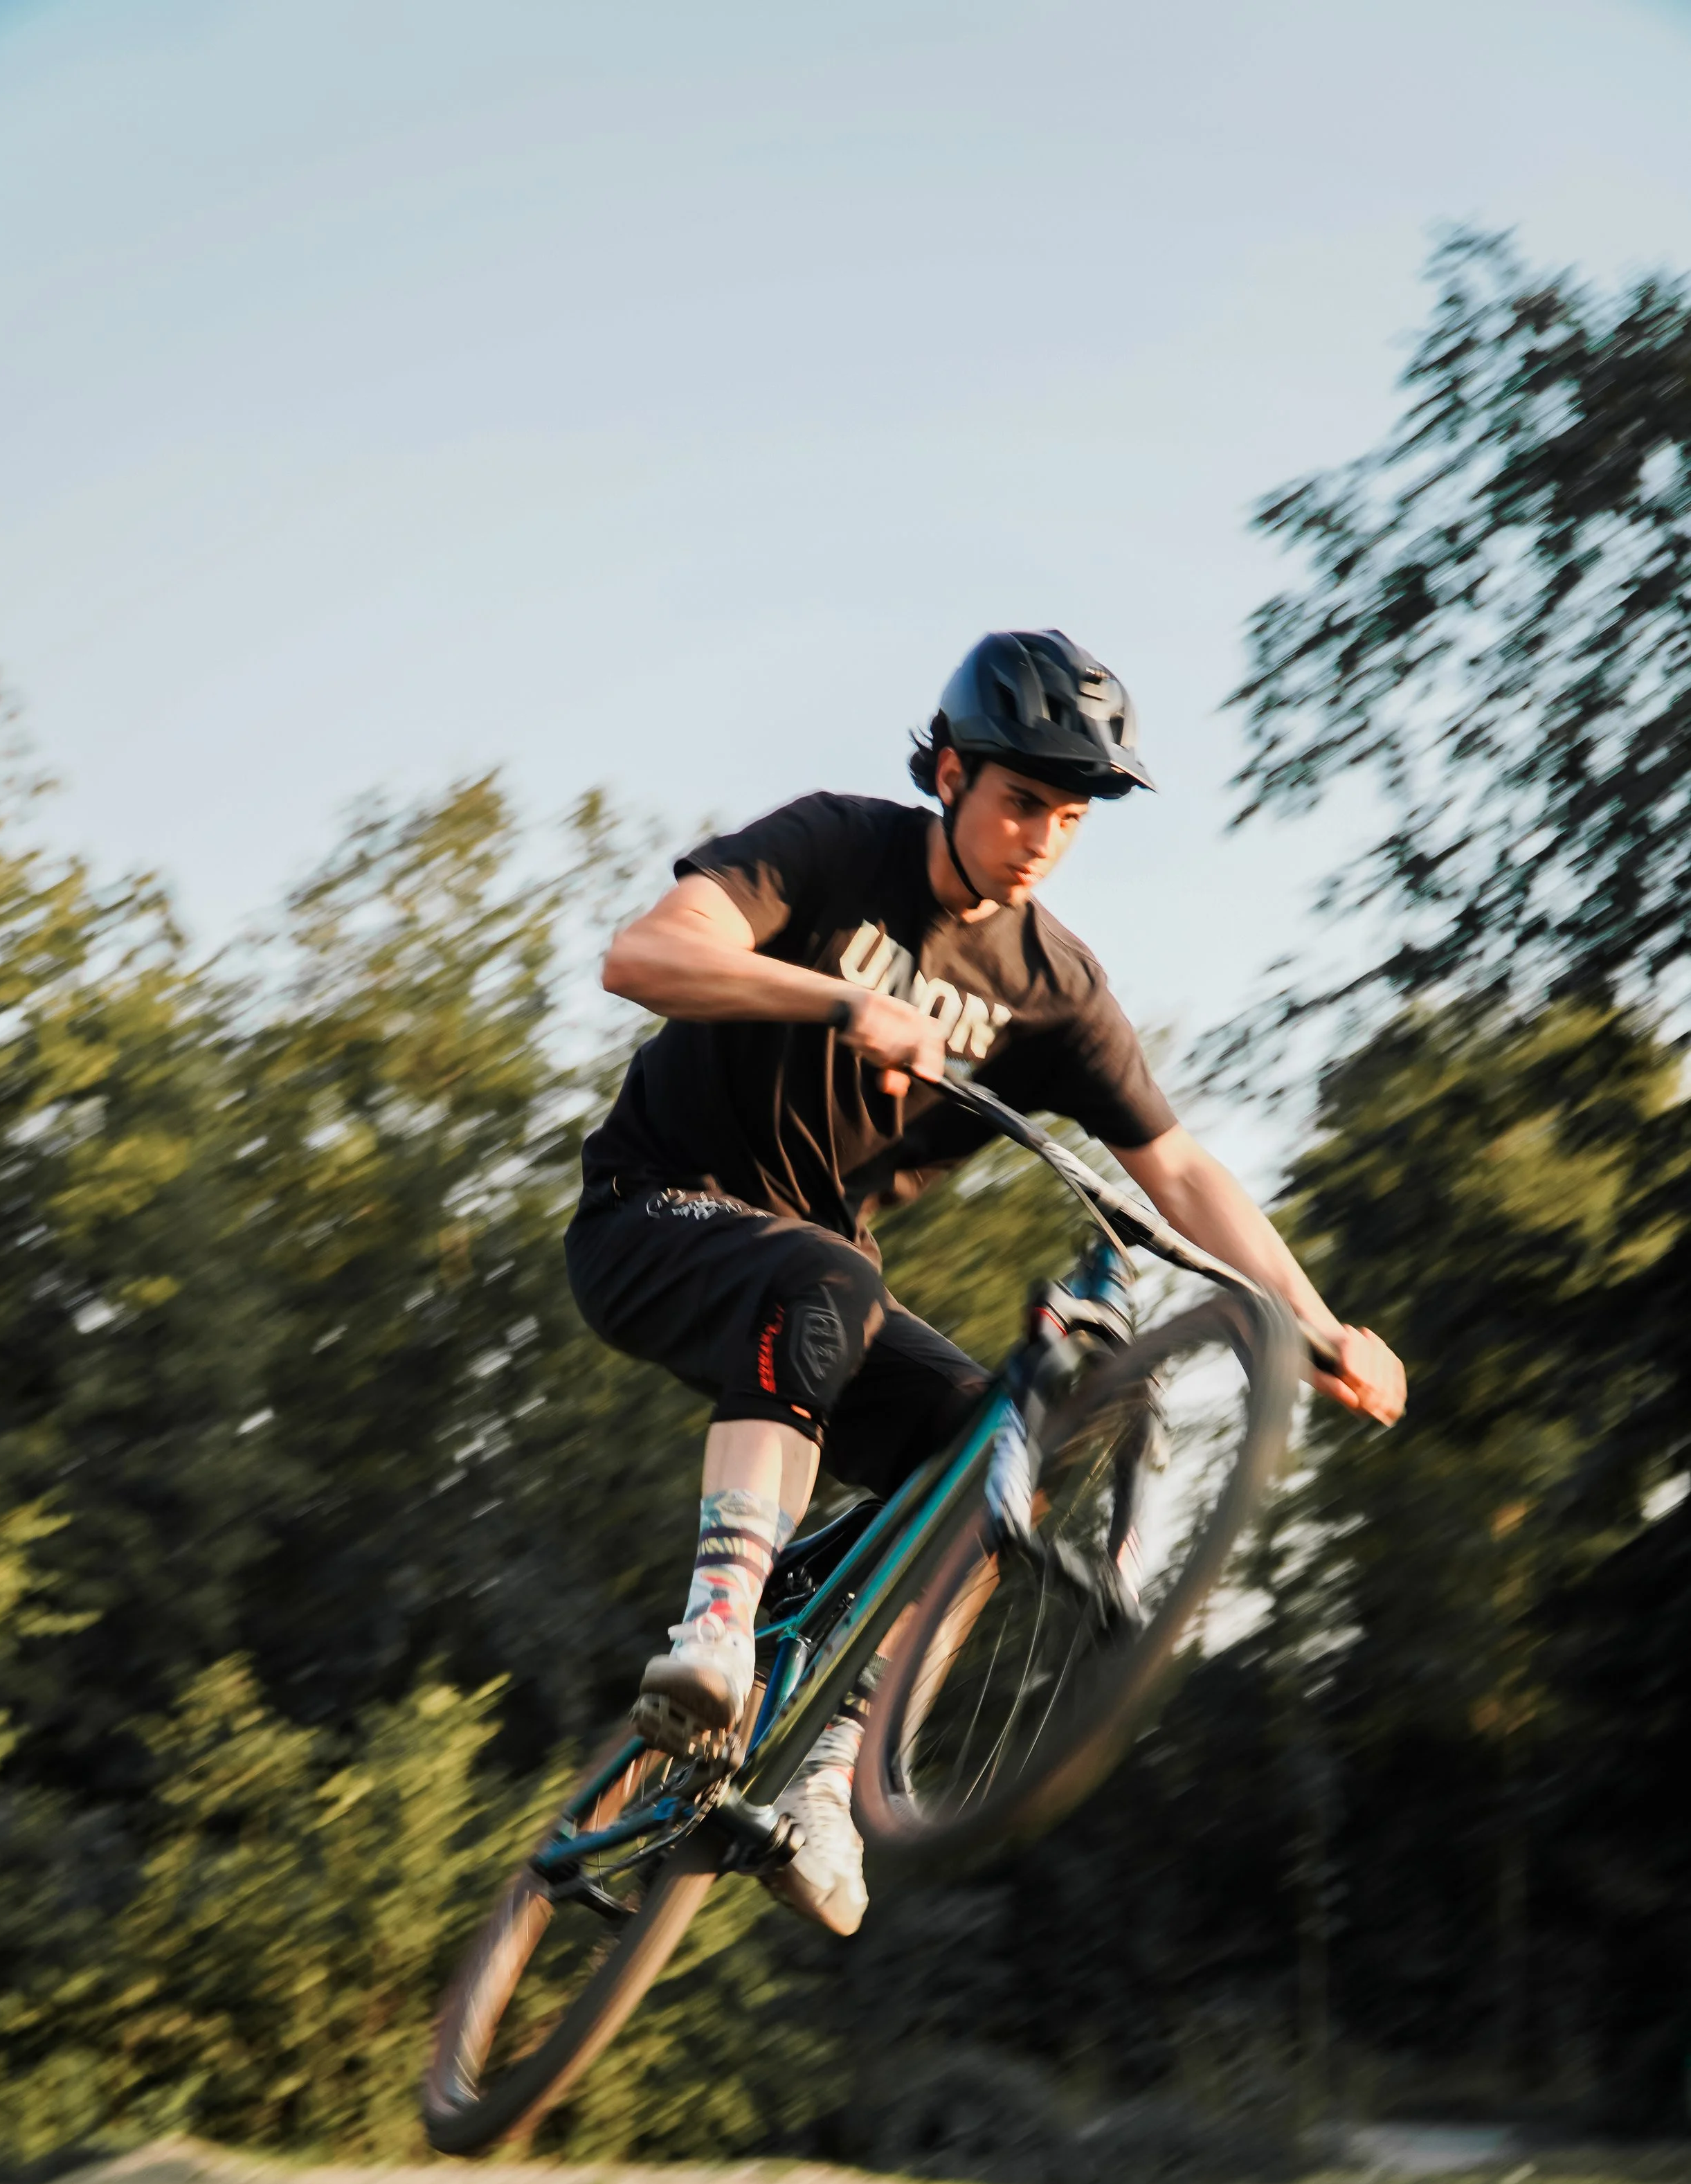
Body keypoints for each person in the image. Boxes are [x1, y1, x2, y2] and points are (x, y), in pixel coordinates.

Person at [564, 629, 1406, 1937]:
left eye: (1069, 819)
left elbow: (1175, 1163)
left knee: (992, 1450)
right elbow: (642, 958)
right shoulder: (837, 847)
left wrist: (1314, 1319)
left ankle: (833, 1775)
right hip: (650, 1218)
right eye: (1020, 802)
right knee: (826, 1275)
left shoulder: (1054, 990)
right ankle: (719, 1623)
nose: (1040, 841)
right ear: (949, 772)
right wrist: (841, 1005)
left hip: (816, 1291)